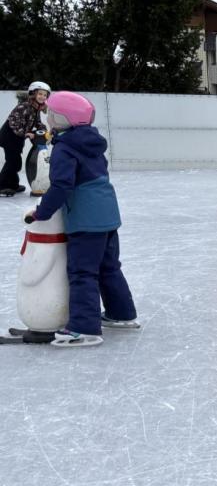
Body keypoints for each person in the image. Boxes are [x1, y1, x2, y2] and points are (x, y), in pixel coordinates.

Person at [24, 91, 139, 347]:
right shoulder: (91, 142)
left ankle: (84, 327)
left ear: (60, 118)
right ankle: (122, 314)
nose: (48, 119)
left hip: (87, 219)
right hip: (108, 214)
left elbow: (62, 185)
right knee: (109, 267)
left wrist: (41, 212)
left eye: (50, 115)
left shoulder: (65, 148)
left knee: (82, 272)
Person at [1, 81, 50, 196]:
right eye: (40, 94)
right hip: (9, 136)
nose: (42, 97)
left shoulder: (36, 108)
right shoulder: (24, 106)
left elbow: (37, 122)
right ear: (33, 93)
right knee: (12, 162)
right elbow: (14, 123)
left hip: (17, 138)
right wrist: (27, 133)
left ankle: (13, 185)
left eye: (45, 95)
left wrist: (44, 130)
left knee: (16, 162)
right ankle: (2, 186)